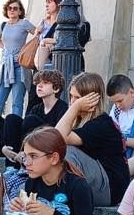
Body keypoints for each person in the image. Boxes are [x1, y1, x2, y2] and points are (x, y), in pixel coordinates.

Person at [54, 72, 128, 207]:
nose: (72, 101)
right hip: (95, 180)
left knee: (67, 150)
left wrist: (75, 107)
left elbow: (57, 138)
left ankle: (63, 199)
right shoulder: (77, 120)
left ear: (92, 99)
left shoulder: (102, 124)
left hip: (110, 189)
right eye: (71, 96)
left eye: (77, 98)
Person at [0, 70, 70, 165]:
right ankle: (12, 165)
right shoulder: (36, 108)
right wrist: (4, 147)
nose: (39, 86)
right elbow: (24, 130)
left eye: (45, 83)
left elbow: (58, 135)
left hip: (48, 147)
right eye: (38, 83)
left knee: (30, 120)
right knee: (11, 119)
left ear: (56, 89)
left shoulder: (63, 108)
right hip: (30, 145)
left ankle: (25, 155)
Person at [0, 0, 35, 118]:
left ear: (20, 11)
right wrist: (3, 48)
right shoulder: (3, 25)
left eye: (15, 8)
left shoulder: (24, 23)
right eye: (9, 8)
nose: (12, 10)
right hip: (6, 66)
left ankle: (15, 126)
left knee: (17, 102)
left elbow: (38, 35)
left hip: (20, 65)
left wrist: (28, 50)